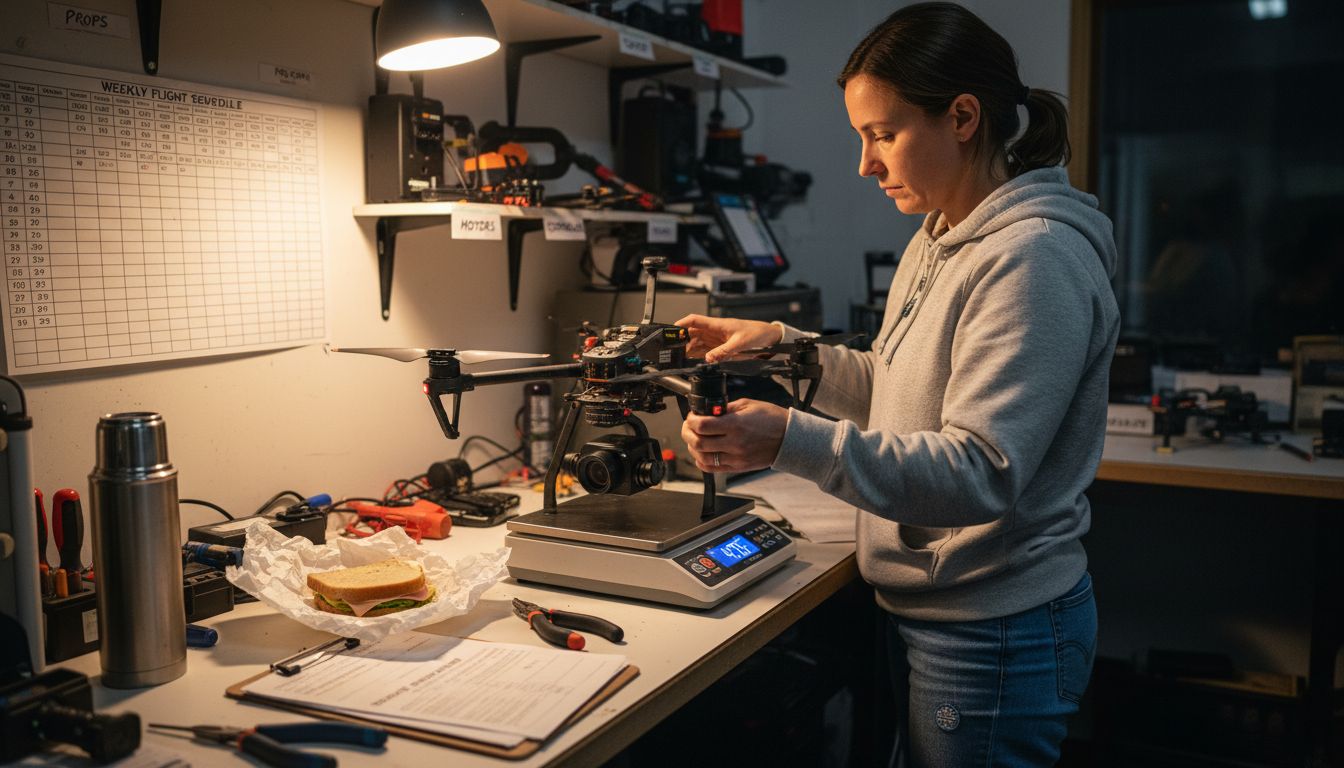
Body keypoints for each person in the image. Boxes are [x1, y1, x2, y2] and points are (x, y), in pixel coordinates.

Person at [677, 3, 1120, 765]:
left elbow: (981, 471)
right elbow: (897, 389)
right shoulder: (939, 234)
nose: (866, 164)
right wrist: (785, 351)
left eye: (882, 134)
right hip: (935, 608)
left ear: (963, 117)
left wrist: (787, 440)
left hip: (994, 626)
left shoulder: (1033, 257)